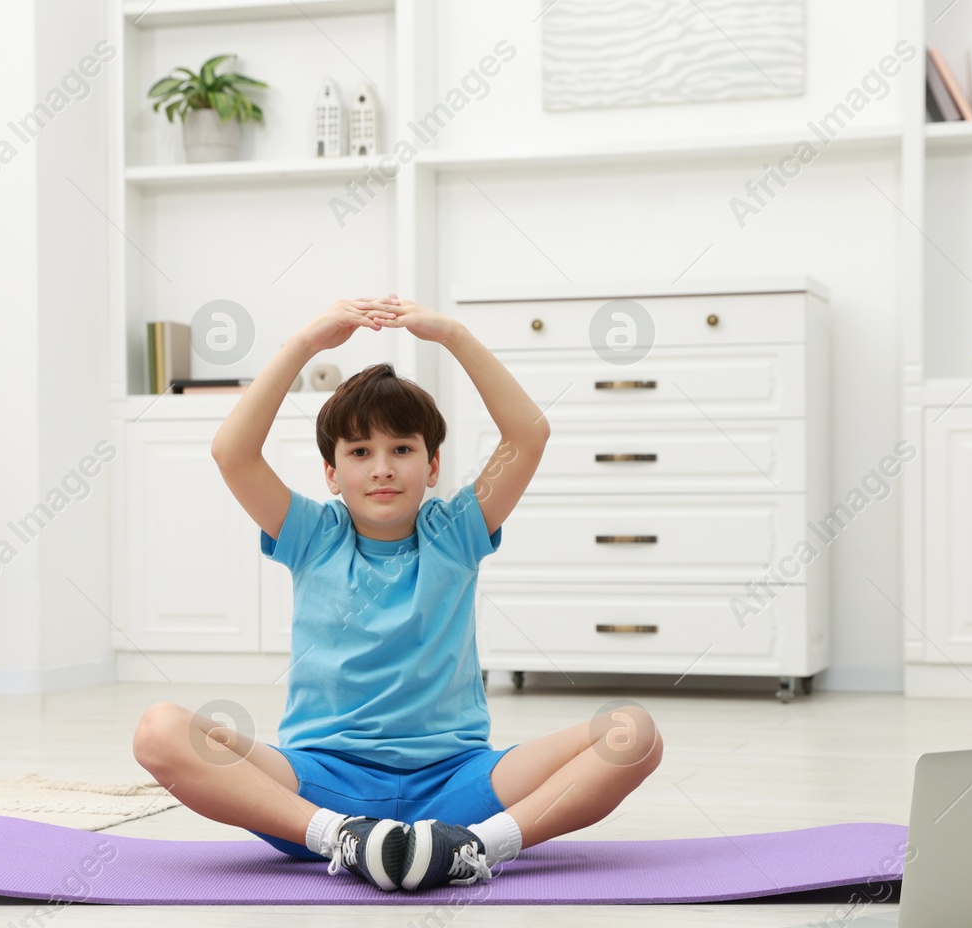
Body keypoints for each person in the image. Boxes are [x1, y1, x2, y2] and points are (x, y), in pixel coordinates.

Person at [133, 294, 663, 892]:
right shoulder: (310, 535)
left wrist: (452, 335)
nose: (382, 468)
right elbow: (232, 452)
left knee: (633, 733)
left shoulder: (456, 532)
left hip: (457, 783)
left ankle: (470, 850)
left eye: (401, 450)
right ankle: (345, 841)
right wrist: (305, 341)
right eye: (360, 453)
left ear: (432, 465)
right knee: (158, 729)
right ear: (331, 474)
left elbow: (528, 433)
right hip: (319, 786)